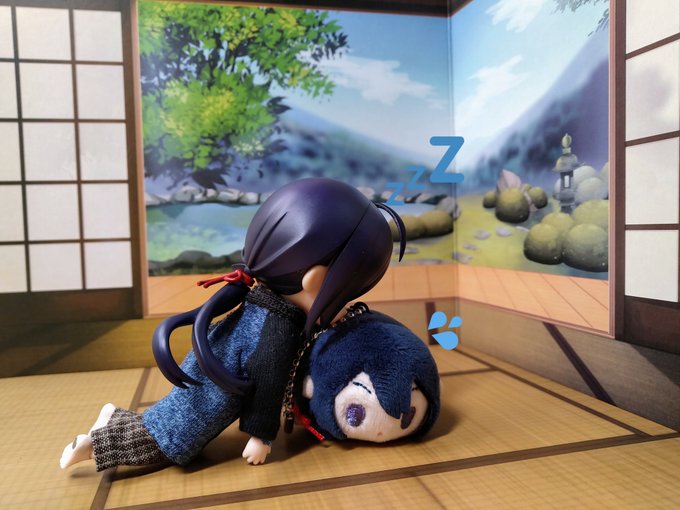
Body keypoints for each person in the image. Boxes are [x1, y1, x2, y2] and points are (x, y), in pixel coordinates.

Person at [60, 178, 405, 470]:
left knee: (163, 417)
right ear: (315, 282)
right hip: (206, 402)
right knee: (168, 441)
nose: (346, 306)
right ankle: (93, 446)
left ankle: (111, 419)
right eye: (346, 295)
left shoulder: (258, 304)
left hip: (203, 377)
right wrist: (261, 436)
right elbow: (268, 381)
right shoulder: (278, 328)